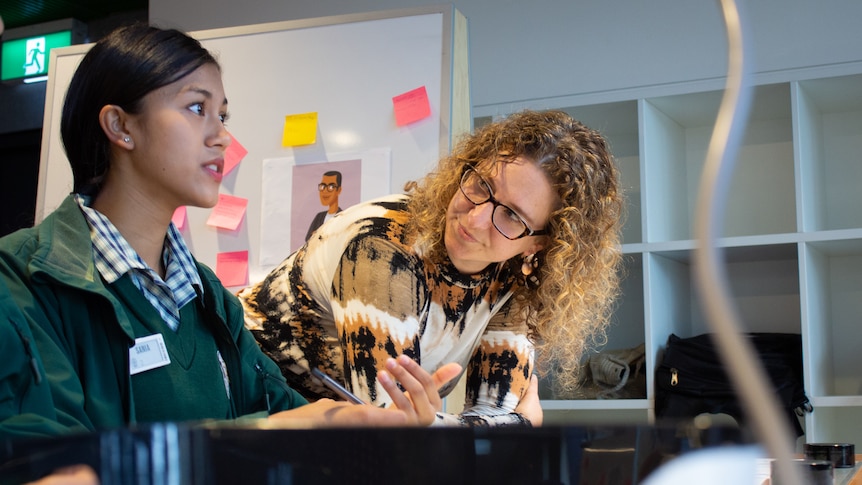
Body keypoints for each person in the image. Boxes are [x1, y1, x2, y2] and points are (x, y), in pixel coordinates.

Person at [0, 23, 460, 441]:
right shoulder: (22, 280)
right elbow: (44, 458)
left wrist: (370, 426)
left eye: (223, 116)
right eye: (197, 107)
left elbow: (284, 417)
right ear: (120, 126)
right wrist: (276, 427)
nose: (220, 136)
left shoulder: (211, 298)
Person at [238, 109, 623, 426]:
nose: (474, 220)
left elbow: (490, 420)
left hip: (318, 437)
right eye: (481, 185)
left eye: (510, 216)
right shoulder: (382, 247)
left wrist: (494, 426)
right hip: (239, 408)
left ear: (538, 244)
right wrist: (522, 425)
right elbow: (390, 425)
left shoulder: (515, 280)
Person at [305, 170, 344, 241]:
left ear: (339, 190)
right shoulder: (319, 216)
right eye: (323, 186)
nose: (325, 191)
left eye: (331, 187)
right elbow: (308, 238)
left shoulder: (343, 217)